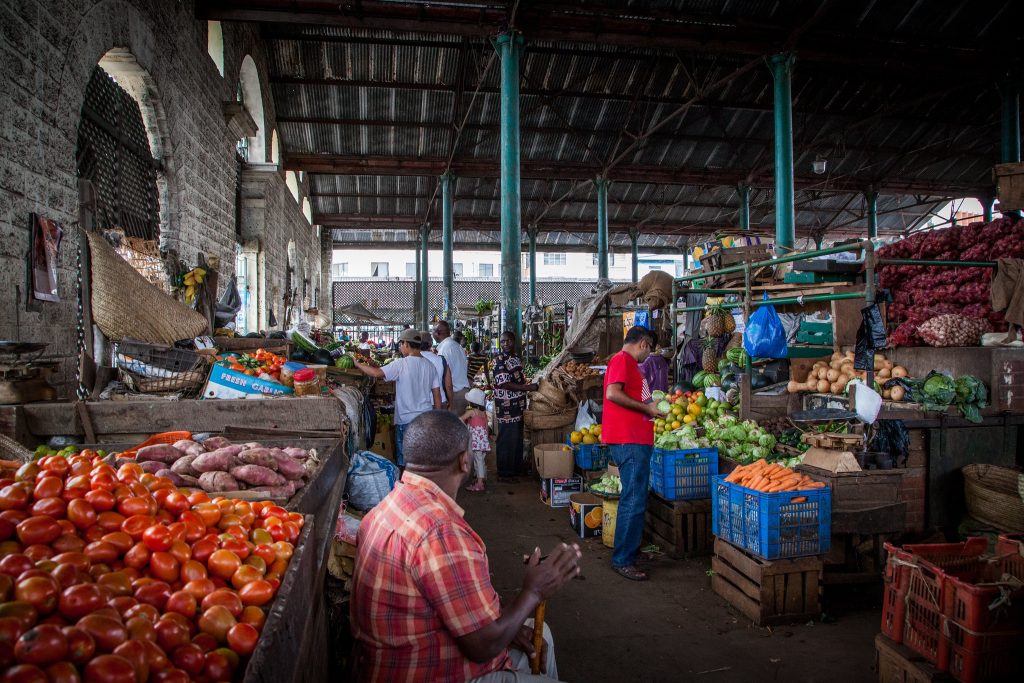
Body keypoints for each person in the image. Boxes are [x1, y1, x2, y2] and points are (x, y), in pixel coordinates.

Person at [351, 410, 579, 683]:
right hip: (427, 671)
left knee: (543, 638)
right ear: (465, 461)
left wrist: (505, 618)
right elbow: (483, 647)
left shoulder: (385, 507)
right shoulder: (442, 532)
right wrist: (533, 591)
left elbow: (453, 602)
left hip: (392, 662)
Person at [603, 326, 665, 581]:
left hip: (635, 440)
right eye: (649, 348)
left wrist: (652, 408)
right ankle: (623, 560)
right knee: (633, 499)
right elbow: (612, 393)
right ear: (643, 343)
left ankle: (631, 551)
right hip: (628, 440)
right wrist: (647, 409)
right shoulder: (622, 360)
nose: (648, 355)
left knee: (636, 497)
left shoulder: (629, 365)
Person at [353, 329, 441, 467]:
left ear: (406, 344)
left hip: (406, 420)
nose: (400, 347)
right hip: (426, 418)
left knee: (405, 462)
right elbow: (437, 396)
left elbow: (376, 373)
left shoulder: (401, 364)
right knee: (422, 460)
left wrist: (357, 364)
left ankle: (406, 486)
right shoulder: (430, 366)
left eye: (400, 344)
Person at [492, 331, 538, 481]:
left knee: (517, 437)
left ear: (514, 341)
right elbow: (504, 383)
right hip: (506, 407)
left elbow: (518, 379)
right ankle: (505, 472)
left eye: (508, 341)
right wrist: (527, 388)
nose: (505, 344)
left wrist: (525, 388)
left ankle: (516, 468)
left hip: (518, 405)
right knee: (506, 438)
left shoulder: (516, 358)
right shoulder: (500, 360)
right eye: (503, 341)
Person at [435, 320, 471, 413]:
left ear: (437, 333)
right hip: (463, 392)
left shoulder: (444, 350)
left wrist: (450, 401)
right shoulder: (457, 346)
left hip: (454, 394)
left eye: (432, 332)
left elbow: (447, 380)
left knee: (453, 426)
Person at [462, 388, 491, 492]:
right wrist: (486, 439)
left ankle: (480, 483)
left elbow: (460, 419)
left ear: (471, 401)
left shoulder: (471, 412)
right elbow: (487, 428)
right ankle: (482, 479)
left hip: (475, 442)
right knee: (480, 460)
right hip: (482, 441)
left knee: (478, 461)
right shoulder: (484, 414)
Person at [421, 332, 454, 409]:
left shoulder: (414, 360)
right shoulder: (441, 360)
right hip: (441, 401)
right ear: (431, 343)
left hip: (421, 404)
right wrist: (451, 403)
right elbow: (448, 385)